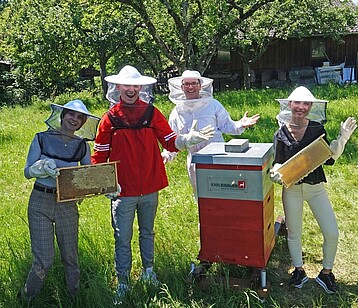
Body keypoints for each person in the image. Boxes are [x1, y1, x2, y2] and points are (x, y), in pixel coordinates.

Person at [91, 65, 214, 302]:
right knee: (122, 237)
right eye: (127, 85)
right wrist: (105, 184)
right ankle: (123, 282)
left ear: (141, 88)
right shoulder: (109, 118)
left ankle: (149, 272)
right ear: (117, 87)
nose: (131, 90)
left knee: (147, 232)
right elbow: (99, 154)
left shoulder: (151, 112)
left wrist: (187, 140)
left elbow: (170, 142)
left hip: (149, 186)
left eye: (135, 86)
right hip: (122, 190)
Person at [269, 86, 357, 294]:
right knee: (294, 233)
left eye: (306, 103)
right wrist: (275, 171)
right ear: (289, 105)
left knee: (331, 233)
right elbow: (278, 161)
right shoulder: (280, 133)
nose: (301, 107)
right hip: (292, 190)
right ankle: (298, 271)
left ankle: (326, 274)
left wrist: (342, 139)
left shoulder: (317, 129)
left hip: (316, 189)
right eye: (297, 103)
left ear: (310, 107)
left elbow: (330, 157)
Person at [19, 100, 100, 301]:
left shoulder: (82, 146)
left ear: (82, 123)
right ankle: (26, 298)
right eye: (71, 114)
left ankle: (73, 298)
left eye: (79, 117)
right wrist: (39, 168)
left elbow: (88, 175)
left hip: (67, 203)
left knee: (70, 256)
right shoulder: (41, 139)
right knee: (43, 260)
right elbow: (27, 171)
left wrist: (107, 186)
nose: (74, 119)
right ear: (62, 115)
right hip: (40, 200)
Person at [166, 70, 260, 193]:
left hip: (218, 158)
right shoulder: (177, 112)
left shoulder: (213, 105)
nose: (190, 87)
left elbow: (227, 126)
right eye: (187, 84)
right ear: (181, 87)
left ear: (200, 85)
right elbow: (174, 139)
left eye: (194, 83)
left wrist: (240, 124)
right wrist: (167, 155)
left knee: (222, 192)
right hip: (195, 160)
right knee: (201, 197)